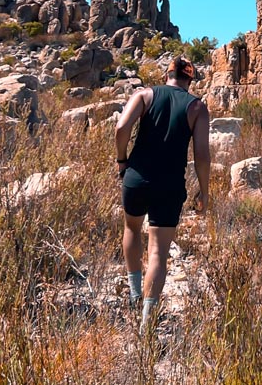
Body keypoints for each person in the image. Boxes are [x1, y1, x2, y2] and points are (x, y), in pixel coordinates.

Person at [114, 56, 211, 327]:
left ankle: (135, 294)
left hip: (136, 177)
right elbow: (202, 155)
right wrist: (204, 191)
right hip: (170, 185)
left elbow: (121, 127)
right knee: (158, 252)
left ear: (166, 75)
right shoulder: (197, 107)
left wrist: (122, 159)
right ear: (190, 79)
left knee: (131, 229)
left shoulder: (144, 94)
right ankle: (147, 321)